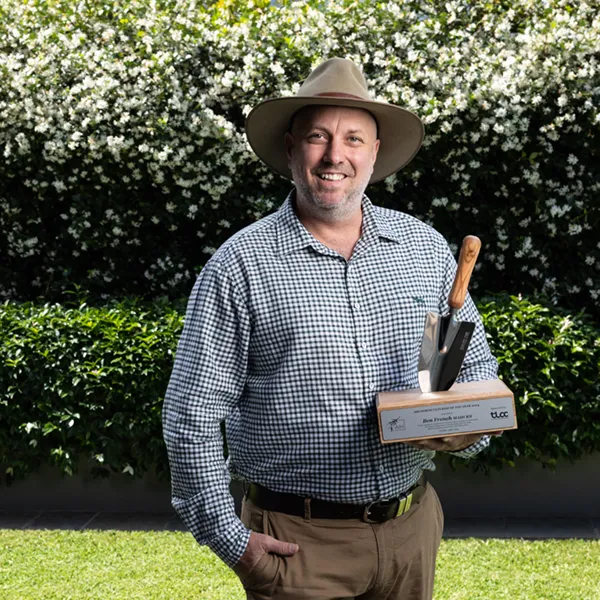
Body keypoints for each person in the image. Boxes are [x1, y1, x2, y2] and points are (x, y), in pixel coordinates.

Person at [162, 58, 499, 600]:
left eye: (353, 139)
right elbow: (190, 416)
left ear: (374, 152)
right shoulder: (241, 264)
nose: (334, 155)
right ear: (292, 147)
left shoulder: (425, 249)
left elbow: (477, 371)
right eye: (318, 137)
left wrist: (463, 428)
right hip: (298, 544)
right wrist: (228, 538)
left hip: (411, 530)